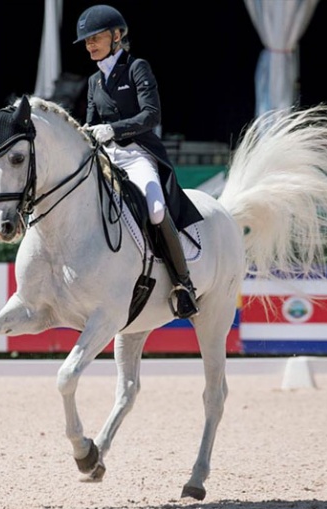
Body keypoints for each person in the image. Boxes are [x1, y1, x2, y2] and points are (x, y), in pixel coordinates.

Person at [74, 4, 203, 319]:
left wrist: (113, 129)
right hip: (107, 156)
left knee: (156, 210)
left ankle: (183, 284)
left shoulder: (136, 68)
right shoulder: (94, 81)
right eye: (87, 41)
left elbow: (151, 115)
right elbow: (89, 124)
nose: (90, 45)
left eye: (96, 38)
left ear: (117, 36)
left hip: (137, 154)